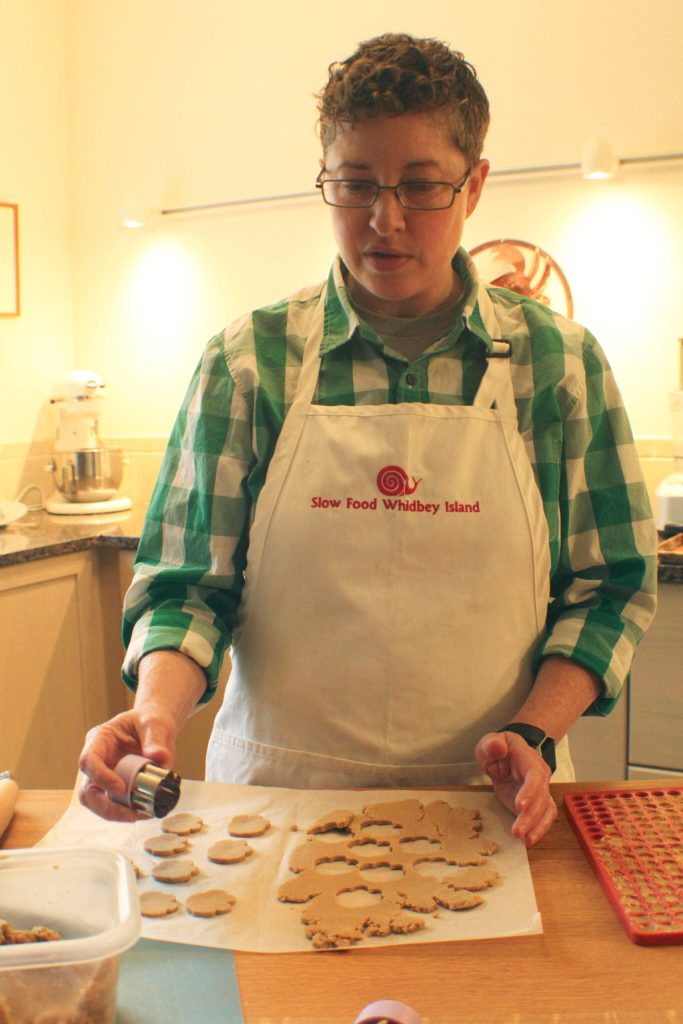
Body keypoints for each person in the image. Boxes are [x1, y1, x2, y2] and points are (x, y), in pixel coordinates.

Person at [79, 33, 657, 846]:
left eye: (420, 186)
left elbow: (609, 587)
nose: (384, 220)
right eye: (354, 185)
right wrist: (156, 712)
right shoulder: (248, 363)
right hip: (275, 808)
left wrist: (532, 730)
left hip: (494, 808)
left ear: (473, 185)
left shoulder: (556, 365)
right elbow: (184, 589)